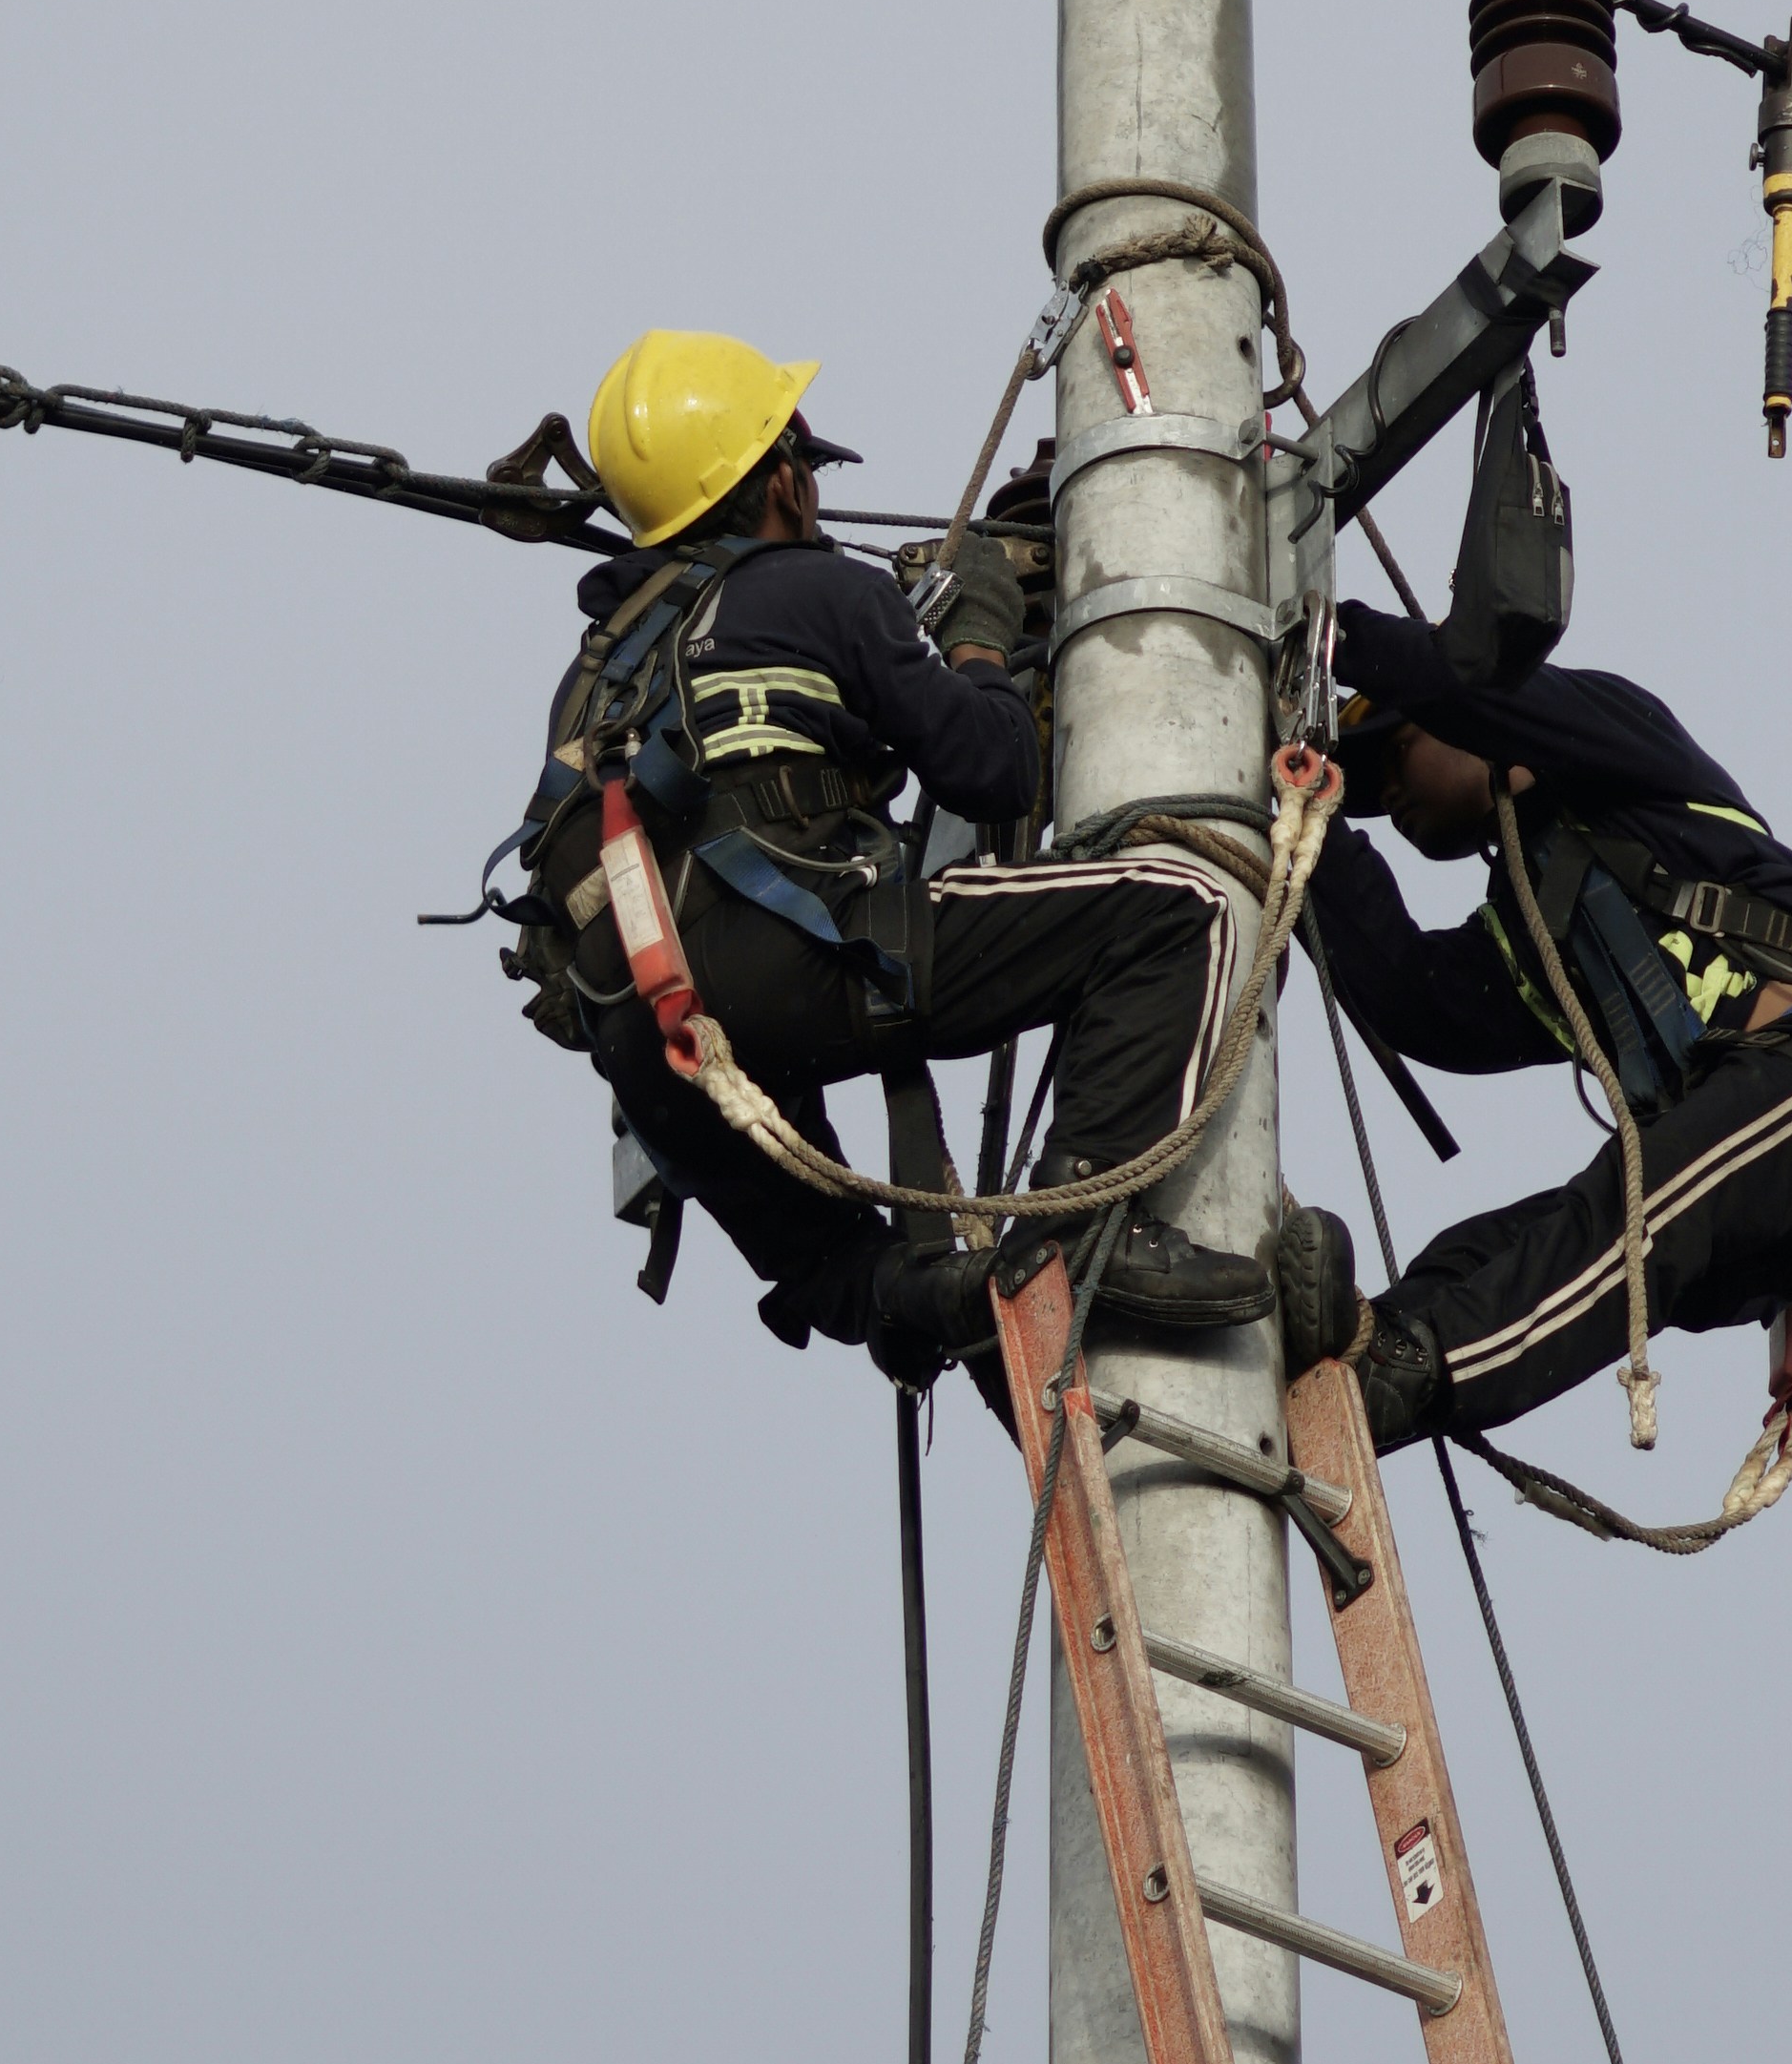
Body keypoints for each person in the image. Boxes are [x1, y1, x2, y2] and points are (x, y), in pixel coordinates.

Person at [499, 326, 1280, 1380]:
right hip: (780, 962)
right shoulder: (813, 589)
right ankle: (1092, 1226)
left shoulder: (595, 674)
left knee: (828, 1259)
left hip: (640, 1035)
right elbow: (994, 769)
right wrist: (979, 634)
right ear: (779, 479)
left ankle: (936, 1298)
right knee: (1180, 905)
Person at [1307, 600, 1792, 1453]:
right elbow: (1410, 993)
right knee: (1481, 1258)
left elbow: (1469, 689)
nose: (1383, 791)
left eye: (1396, 752)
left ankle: (1421, 1371)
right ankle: (1342, 1364)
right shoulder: (1526, 933)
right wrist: (1308, 813)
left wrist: (1335, 639)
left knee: (1636, 1199)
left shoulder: (1624, 749)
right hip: (1738, 1219)